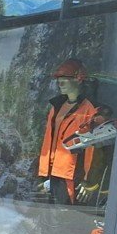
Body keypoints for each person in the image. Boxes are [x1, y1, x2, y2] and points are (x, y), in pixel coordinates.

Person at [37, 59, 98, 205]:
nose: (60, 83)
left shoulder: (89, 110)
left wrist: (88, 180)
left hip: (70, 176)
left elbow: (93, 149)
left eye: (66, 79)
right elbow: (47, 142)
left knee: (64, 219)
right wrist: (43, 174)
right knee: (49, 220)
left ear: (78, 80)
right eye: (59, 79)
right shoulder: (56, 107)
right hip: (52, 174)